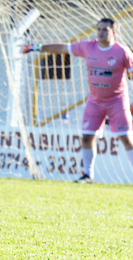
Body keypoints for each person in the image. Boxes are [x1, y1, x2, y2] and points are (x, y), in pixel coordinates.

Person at [23, 18, 133, 183]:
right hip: (95, 101)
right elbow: (62, 48)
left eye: (105, 29)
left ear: (113, 32)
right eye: (99, 29)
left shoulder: (123, 52)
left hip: (117, 101)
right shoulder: (88, 47)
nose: (101, 32)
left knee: (126, 139)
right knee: (87, 137)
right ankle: (88, 176)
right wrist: (38, 47)